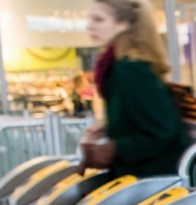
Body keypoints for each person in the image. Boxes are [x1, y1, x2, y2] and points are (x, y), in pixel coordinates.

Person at [80, 0, 189, 178]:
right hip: (143, 177)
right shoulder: (121, 65)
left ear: (124, 24)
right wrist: (110, 128)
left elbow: (160, 130)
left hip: (151, 180)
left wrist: (114, 148)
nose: (89, 26)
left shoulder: (130, 68)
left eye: (98, 19)